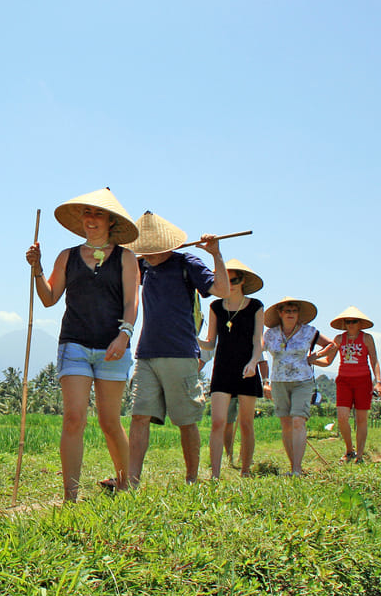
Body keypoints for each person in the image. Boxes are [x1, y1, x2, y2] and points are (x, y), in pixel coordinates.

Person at [26, 188, 138, 502]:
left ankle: (124, 483)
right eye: (87, 213)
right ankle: (70, 497)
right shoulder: (68, 256)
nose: (91, 219)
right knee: (74, 417)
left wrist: (124, 334)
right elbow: (48, 299)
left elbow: (132, 302)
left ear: (110, 221)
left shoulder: (126, 258)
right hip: (73, 344)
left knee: (109, 421)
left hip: (113, 347)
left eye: (98, 213)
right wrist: (37, 269)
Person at [127, 212, 229, 486]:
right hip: (146, 353)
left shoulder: (187, 263)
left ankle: (192, 479)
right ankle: (131, 481)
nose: (148, 254)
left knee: (185, 420)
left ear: (168, 245)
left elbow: (222, 290)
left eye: (152, 249)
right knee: (139, 416)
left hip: (181, 353)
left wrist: (216, 255)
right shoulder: (142, 266)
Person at [199, 259, 265, 478]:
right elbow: (210, 343)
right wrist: (191, 337)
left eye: (234, 279)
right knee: (218, 422)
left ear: (243, 280)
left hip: (248, 369)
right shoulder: (215, 307)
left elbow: (258, 341)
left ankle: (245, 470)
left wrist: (254, 362)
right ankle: (215, 474)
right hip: (223, 369)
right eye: (226, 279)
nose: (231, 284)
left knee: (246, 423)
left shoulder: (255, 306)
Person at [261, 298, 335, 476]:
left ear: (298, 314)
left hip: (303, 381)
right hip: (279, 382)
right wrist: (265, 382)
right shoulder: (270, 334)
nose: (290, 314)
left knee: (298, 421)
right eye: (287, 311)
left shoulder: (309, 332)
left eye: (294, 311)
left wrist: (314, 357)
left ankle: (297, 468)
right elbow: (257, 352)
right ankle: (293, 465)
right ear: (280, 313)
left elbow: (332, 345)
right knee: (286, 423)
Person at [319, 306, 381, 464]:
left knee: (361, 419)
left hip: (363, 381)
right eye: (348, 322)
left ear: (360, 323)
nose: (351, 324)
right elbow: (328, 361)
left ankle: (359, 455)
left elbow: (374, 360)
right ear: (344, 324)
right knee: (342, 417)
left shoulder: (367, 338)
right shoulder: (339, 339)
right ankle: (349, 450)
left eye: (354, 321)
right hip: (344, 381)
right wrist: (311, 360)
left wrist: (378, 382)